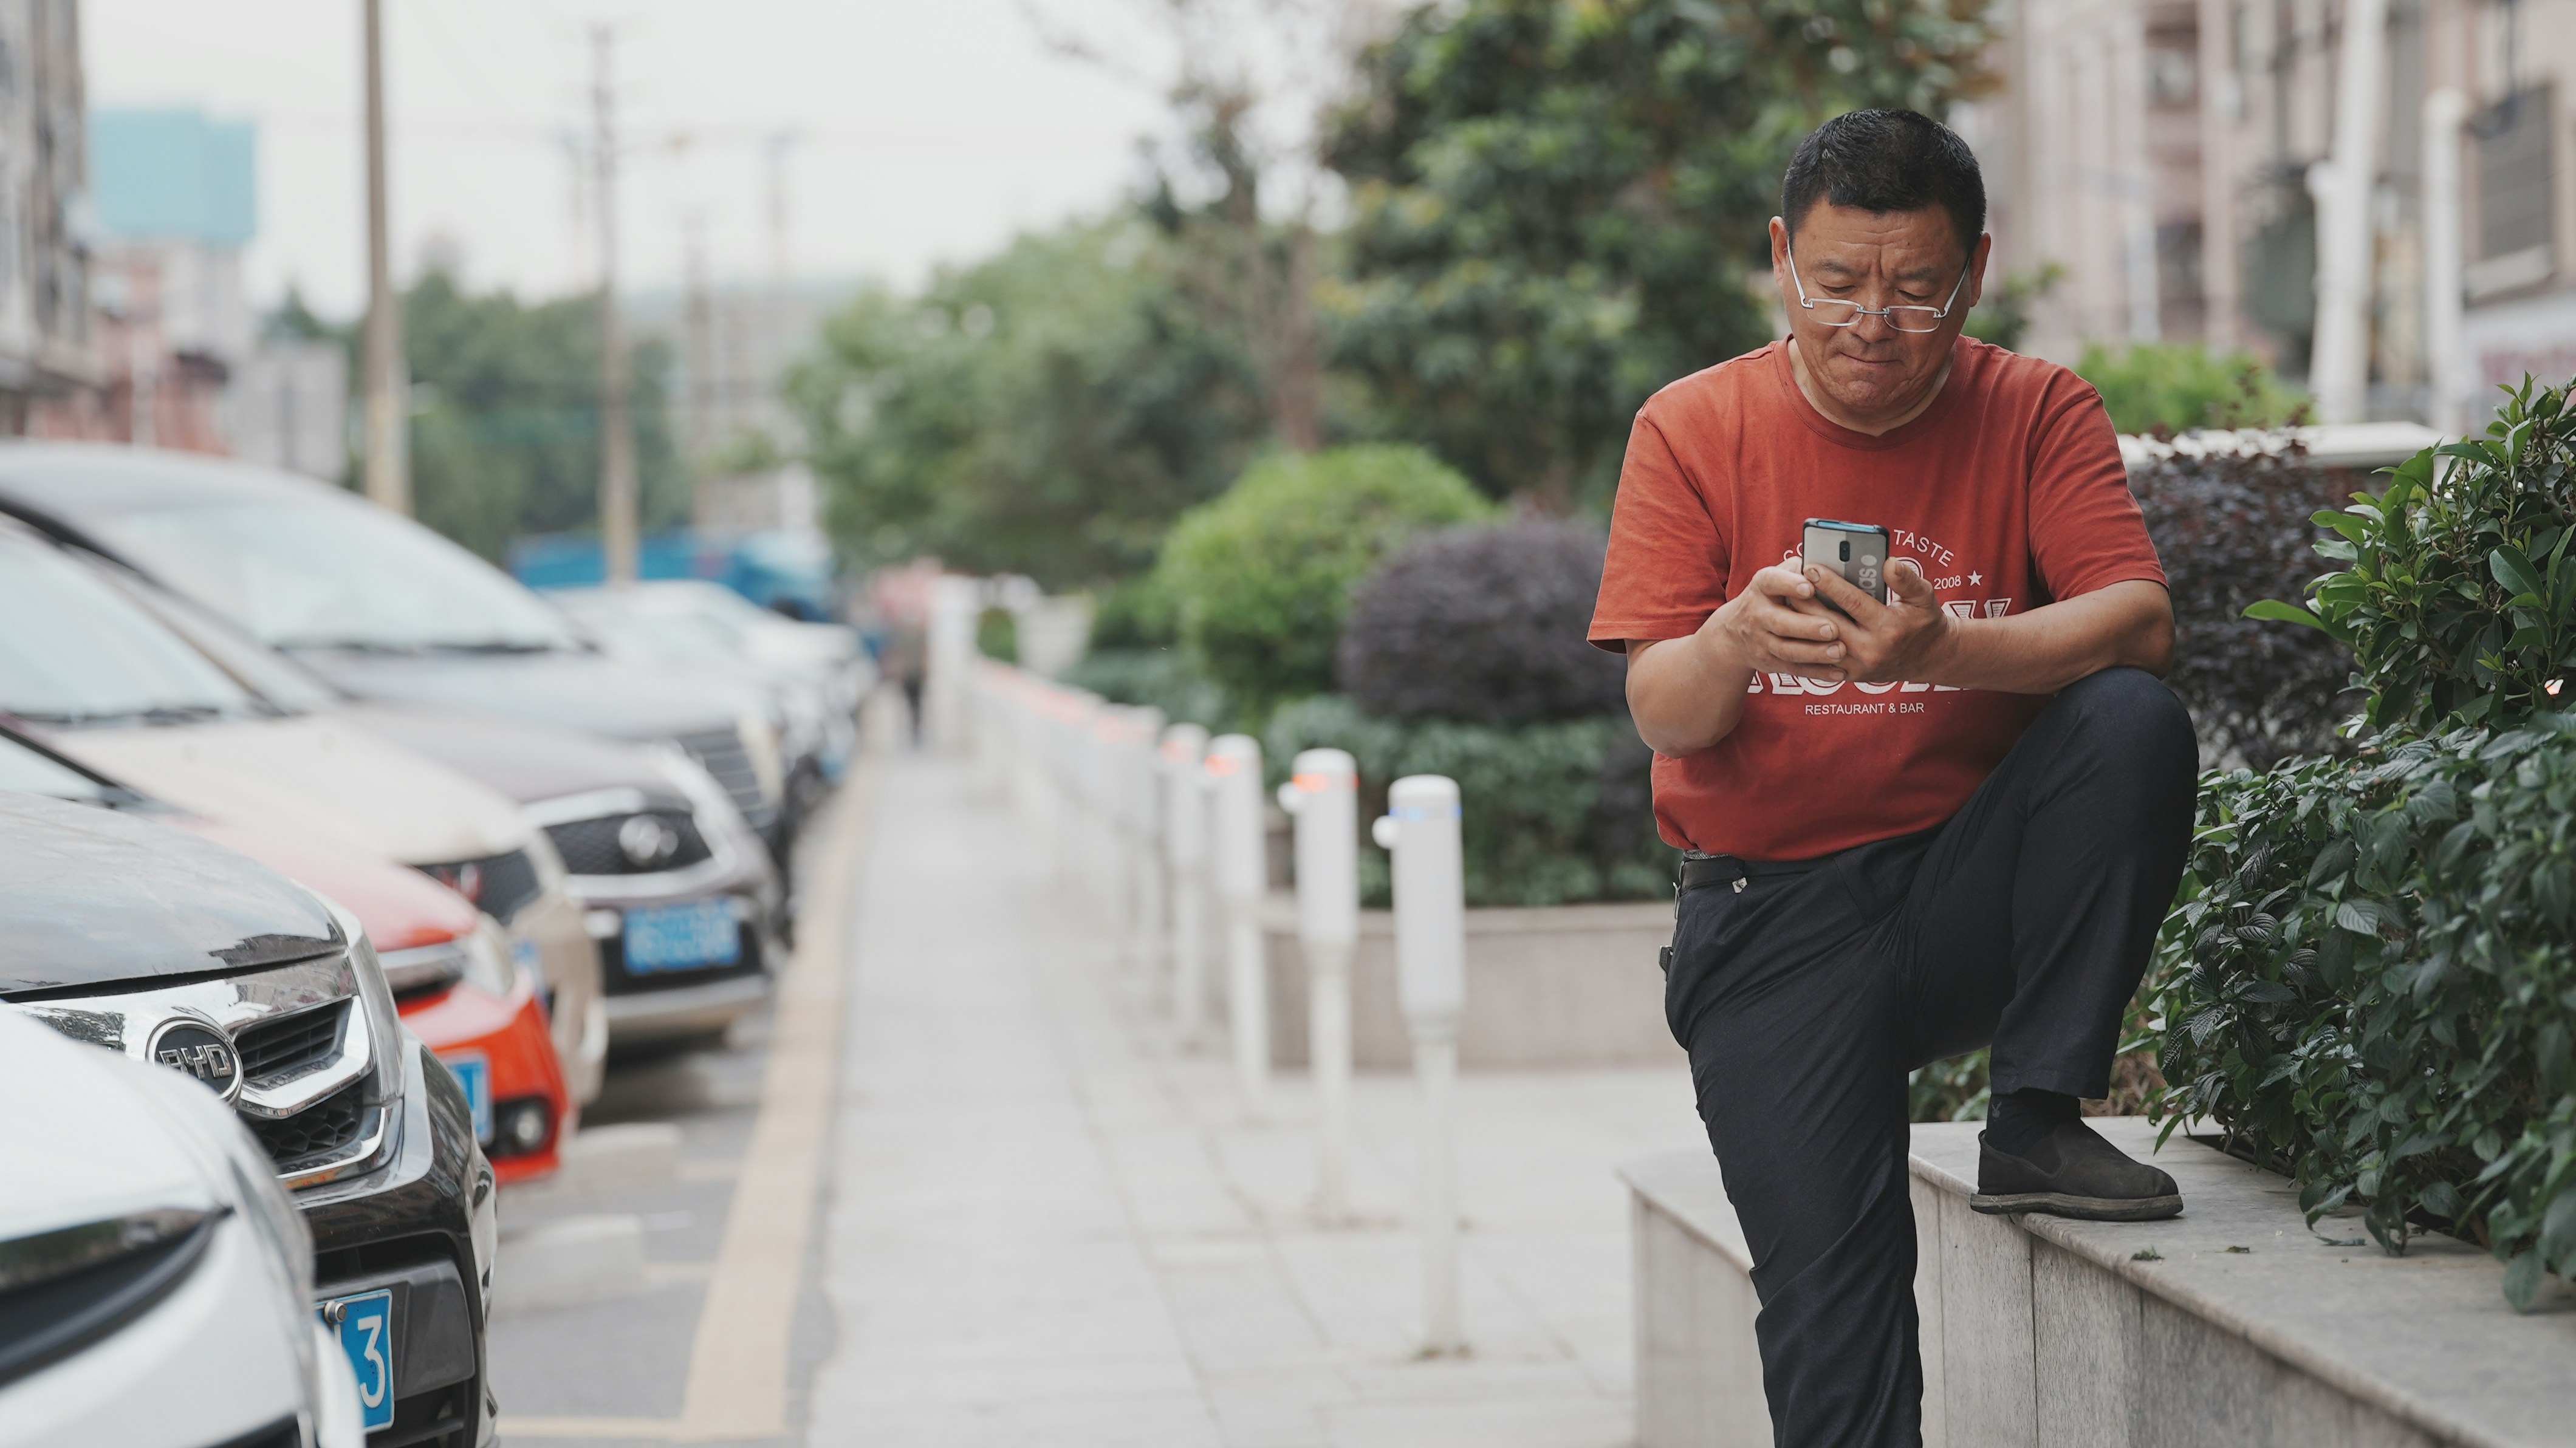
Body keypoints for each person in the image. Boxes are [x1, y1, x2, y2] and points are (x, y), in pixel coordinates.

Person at [1588, 109, 2198, 1447]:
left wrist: (1943, 648)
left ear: (1970, 273)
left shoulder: (2035, 408)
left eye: (1915, 290)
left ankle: (2034, 1116)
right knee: (1837, 1329)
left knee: (2128, 719)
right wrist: (1737, 637)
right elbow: (1661, 714)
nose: (1873, 321)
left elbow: (2138, 620)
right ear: (1779, 261)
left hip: (1954, 886)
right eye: (1838, 284)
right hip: (1766, 924)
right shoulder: (1691, 427)